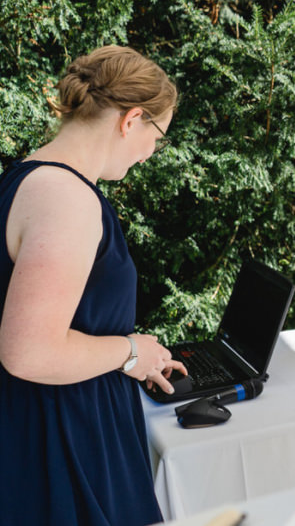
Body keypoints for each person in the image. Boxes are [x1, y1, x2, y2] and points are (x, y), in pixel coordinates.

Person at [0, 45, 187, 525]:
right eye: (158, 135)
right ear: (132, 120)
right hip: (61, 438)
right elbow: (29, 353)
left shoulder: (26, 177)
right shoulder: (67, 198)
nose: (150, 152)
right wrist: (130, 352)